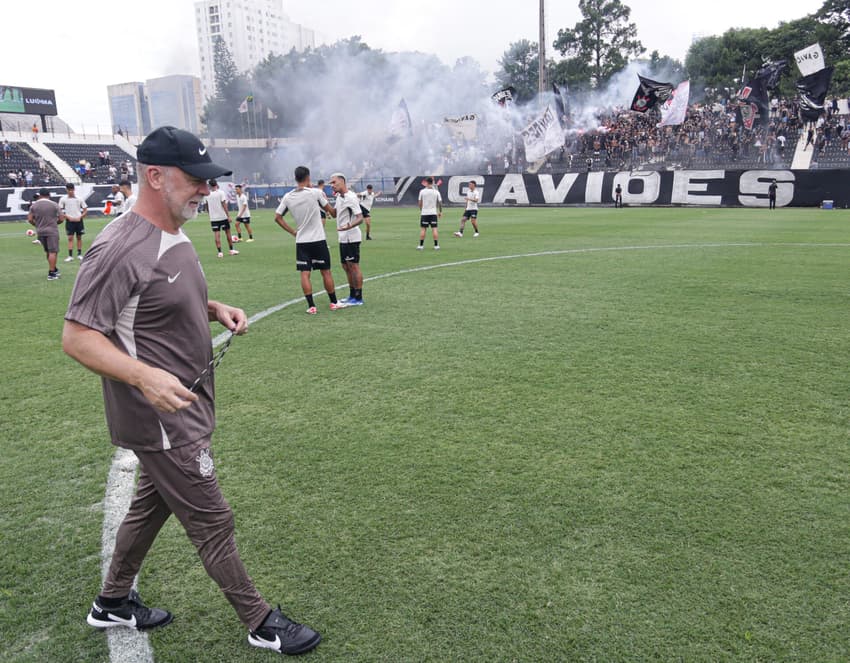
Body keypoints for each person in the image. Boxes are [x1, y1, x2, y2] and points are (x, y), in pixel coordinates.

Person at [62, 126, 321, 656]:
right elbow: (78, 336)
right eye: (196, 180)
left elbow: (160, 298)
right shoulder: (120, 246)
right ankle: (259, 621)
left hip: (185, 404)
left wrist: (214, 308)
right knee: (212, 518)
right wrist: (143, 376)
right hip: (159, 414)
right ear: (155, 177)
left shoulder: (172, 234)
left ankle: (111, 601)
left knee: (150, 506)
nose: (207, 191)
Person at [274, 165, 347, 314]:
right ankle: (333, 302)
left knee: (305, 273)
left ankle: (311, 306)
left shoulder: (288, 197)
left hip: (301, 241)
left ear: (295, 178)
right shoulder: (316, 193)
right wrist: (340, 200)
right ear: (308, 178)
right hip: (318, 239)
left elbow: (277, 217)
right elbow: (332, 213)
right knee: (326, 272)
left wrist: (293, 232)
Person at [330, 172, 365, 305]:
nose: (332, 185)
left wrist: (348, 226)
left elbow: (360, 217)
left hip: (351, 237)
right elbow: (334, 214)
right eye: (331, 183)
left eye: (334, 182)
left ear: (342, 182)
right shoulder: (340, 197)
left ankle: (358, 297)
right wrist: (322, 202)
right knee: (345, 266)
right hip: (343, 237)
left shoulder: (350, 197)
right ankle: (351, 295)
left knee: (353, 266)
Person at [28, 188, 62, 280]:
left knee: (48, 252)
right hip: (52, 230)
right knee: (53, 252)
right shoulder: (54, 204)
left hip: (40, 231)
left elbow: (30, 219)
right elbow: (62, 218)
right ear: (48, 195)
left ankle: (54, 269)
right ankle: (51, 273)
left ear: (40, 195)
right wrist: (55, 223)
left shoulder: (34, 206)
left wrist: (37, 225)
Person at [206, 179, 238, 258]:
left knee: (217, 234)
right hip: (223, 217)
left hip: (213, 218)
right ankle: (231, 250)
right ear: (216, 184)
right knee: (228, 233)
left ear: (209, 185)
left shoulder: (207, 194)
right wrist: (228, 216)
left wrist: (210, 214)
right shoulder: (221, 193)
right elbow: (224, 205)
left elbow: (206, 206)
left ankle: (220, 252)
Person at [59, 182, 88, 262]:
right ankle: (70, 256)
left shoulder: (79, 198)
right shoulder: (63, 199)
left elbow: (85, 210)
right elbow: (60, 211)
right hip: (69, 221)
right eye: (69, 190)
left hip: (79, 220)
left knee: (79, 237)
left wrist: (80, 217)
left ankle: (79, 254)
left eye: (71, 190)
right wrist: (67, 217)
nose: (70, 191)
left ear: (74, 189)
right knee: (70, 238)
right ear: (66, 190)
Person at [417, 176, 442, 250]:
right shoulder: (436, 192)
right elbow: (440, 203)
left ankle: (421, 246)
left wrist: (421, 209)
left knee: (423, 229)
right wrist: (440, 212)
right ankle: (436, 246)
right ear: (432, 182)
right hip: (433, 213)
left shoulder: (422, 191)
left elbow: (419, 202)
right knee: (434, 229)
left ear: (427, 182)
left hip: (424, 213)